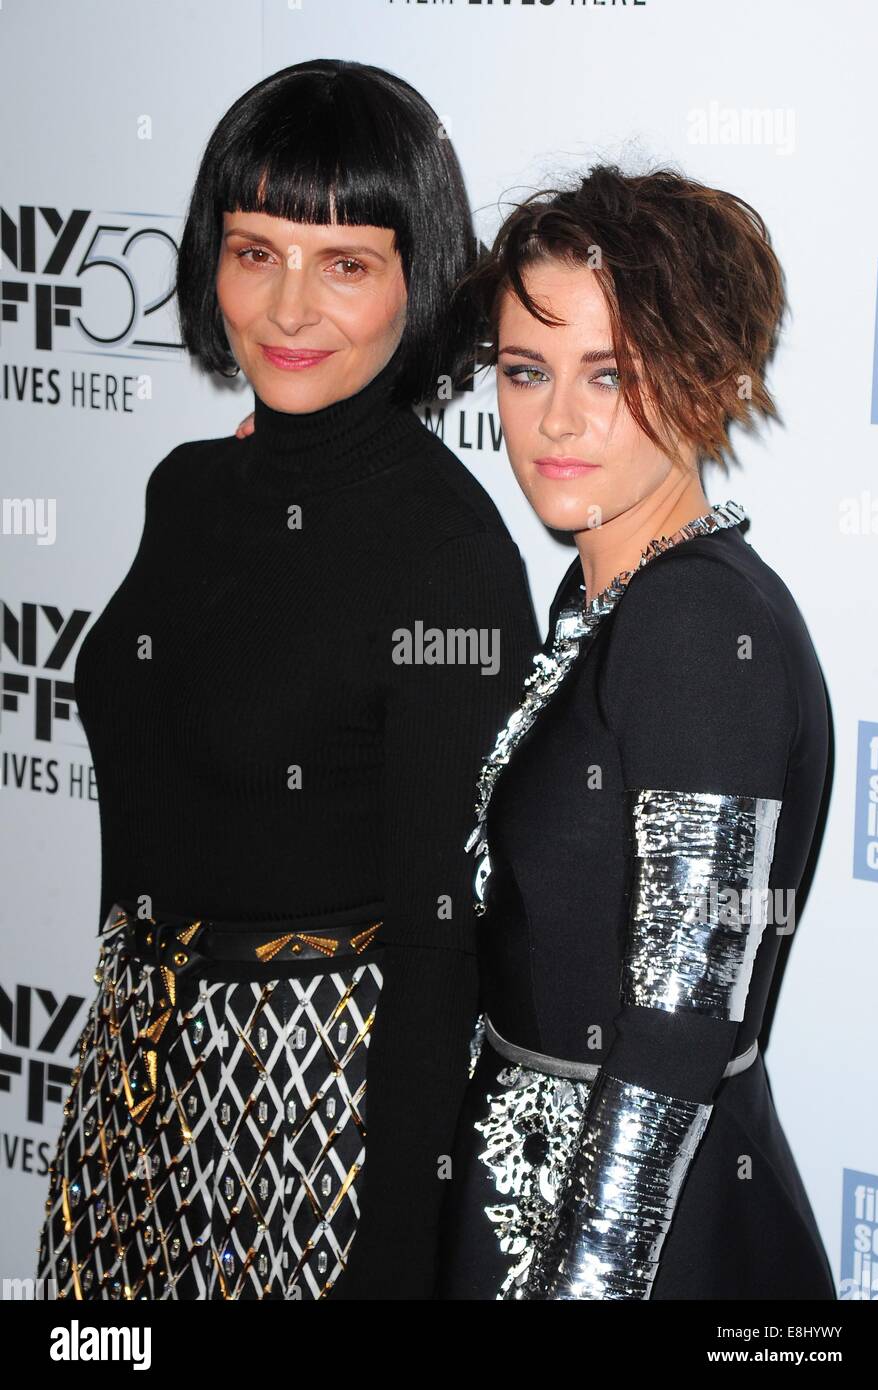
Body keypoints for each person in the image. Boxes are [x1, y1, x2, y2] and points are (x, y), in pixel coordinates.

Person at [35, 58, 538, 1301]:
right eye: (255, 251)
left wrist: (393, 1263)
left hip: (317, 1113)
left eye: (346, 262)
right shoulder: (190, 488)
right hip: (135, 1077)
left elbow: (445, 954)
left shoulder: (452, 560)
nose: (289, 307)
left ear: (416, 280)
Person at [438, 165, 837, 1300]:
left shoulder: (696, 621)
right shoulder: (603, 600)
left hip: (630, 1236)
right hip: (535, 1187)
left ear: (711, 377)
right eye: (526, 371)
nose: (556, 418)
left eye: (610, 374)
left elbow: (675, 1020)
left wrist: (589, 1280)